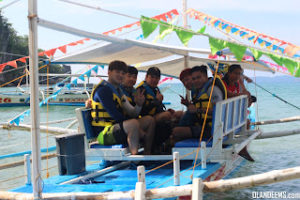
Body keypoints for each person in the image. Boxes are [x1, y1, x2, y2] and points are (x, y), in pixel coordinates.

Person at [89, 60, 155, 155]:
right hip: (103, 133)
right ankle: (135, 159)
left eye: (123, 73)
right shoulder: (103, 90)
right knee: (133, 124)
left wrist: (139, 105)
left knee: (149, 120)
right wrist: (137, 127)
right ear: (109, 72)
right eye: (117, 72)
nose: (120, 75)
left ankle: (147, 154)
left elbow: (132, 112)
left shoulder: (118, 91)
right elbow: (115, 115)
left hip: (115, 129)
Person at [170, 65, 227, 145]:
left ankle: (176, 152)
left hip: (213, 130)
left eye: (199, 77)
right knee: (175, 124)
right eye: (194, 79)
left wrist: (197, 110)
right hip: (208, 126)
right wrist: (188, 105)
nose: (196, 81)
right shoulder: (201, 90)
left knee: (176, 131)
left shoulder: (212, 90)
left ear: (205, 76)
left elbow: (219, 110)